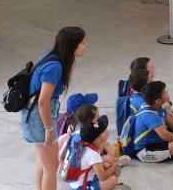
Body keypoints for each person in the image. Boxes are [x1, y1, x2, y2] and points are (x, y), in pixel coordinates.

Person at [21, 26, 87, 190]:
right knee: (51, 167)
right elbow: (43, 102)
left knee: (43, 164)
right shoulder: (54, 66)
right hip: (39, 117)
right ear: (72, 45)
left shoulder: (52, 55)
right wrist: (49, 129)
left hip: (36, 115)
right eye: (83, 43)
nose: (86, 45)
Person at [133, 81, 173, 162]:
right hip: (144, 150)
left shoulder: (159, 107)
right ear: (158, 101)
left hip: (156, 141)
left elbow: (172, 123)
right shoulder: (148, 114)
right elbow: (165, 135)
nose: (167, 92)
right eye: (164, 92)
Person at [69, 115, 128, 190]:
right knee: (113, 179)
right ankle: (116, 169)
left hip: (83, 178)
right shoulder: (92, 154)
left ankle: (116, 164)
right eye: (103, 130)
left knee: (106, 164)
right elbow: (102, 177)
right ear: (97, 140)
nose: (107, 130)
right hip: (82, 186)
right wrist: (114, 165)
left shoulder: (86, 144)